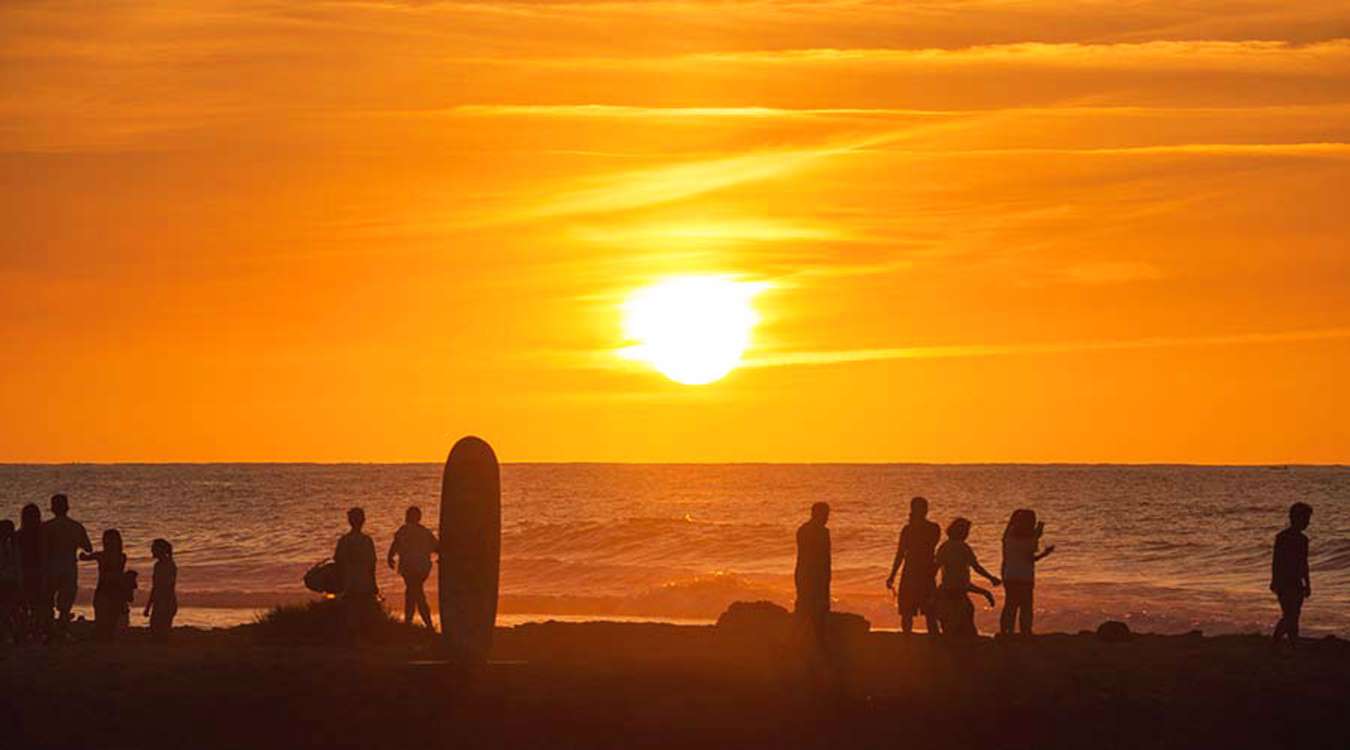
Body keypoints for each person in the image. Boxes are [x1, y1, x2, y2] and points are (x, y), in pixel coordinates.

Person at [934, 517, 1000, 637]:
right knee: (966, 619)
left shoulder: (944, 547)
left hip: (947, 589)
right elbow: (976, 568)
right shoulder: (963, 547)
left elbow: (935, 569)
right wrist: (991, 578)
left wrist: (932, 589)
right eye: (966, 531)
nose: (967, 534)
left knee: (953, 623)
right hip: (956, 592)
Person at [885, 496, 941, 635]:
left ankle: (907, 641)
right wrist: (892, 575)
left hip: (912, 572)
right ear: (926, 510)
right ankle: (933, 642)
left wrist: (892, 575)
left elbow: (900, 554)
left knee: (909, 613)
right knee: (929, 612)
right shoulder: (933, 528)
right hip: (926, 573)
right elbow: (931, 549)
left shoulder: (908, 529)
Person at [42, 493, 93, 637]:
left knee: (47, 600)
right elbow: (88, 547)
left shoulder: (46, 527)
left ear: (52, 509)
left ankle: (50, 629)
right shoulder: (76, 526)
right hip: (69, 567)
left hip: (51, 567)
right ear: (67, 508)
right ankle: (62, 628)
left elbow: (42, 550)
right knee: (66, 602)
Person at [999, 509, 1055, 636]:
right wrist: (1046, 553)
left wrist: (1014, 515)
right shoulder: (1029, 540)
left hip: (1009, 575)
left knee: (1009, 606)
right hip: (1025, 577)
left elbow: (1009, 527)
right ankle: (1025, 631)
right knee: (1026, 606)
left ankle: (1005, 631)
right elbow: (1031, 558)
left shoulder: (1008, 537)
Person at [1271, 502, 1313, 653]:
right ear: (1296, 518)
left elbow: (1303, 564)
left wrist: (1307, 584)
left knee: (1293, 614)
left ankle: (1290, 643)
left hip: (1295, 582)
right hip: (1286, 582)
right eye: (1306, 519)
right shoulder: (1284, 538)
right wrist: (1275, 581)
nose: (1308, 522)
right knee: (1291, 614)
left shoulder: (1302, 540)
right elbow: (1277, 561)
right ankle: (1280, 641)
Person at [387, 506, 438, 628]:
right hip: (422, 569)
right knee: (414, 592)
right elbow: (437, 547)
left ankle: (418, 623)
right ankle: (418, 623)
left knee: (414, 592)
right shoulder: (425, 532)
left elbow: (394, 547)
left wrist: (390, 558)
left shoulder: (403, 531)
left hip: (408, 568)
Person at [794, 502, 832, 654]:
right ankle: (813, 645)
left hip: (807, 574)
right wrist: (825, 578)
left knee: (808, 610)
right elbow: (821, 558)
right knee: (813, 611)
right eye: (825, 515)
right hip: (812, 576)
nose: (827, 518)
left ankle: (805, 643)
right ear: (816, 514)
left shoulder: (804, 530)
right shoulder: (818, 532)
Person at [81, 529, 127, 641]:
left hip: (104, 586)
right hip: (116, 587)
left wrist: (81, 553)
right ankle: (108, 635)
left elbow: (83, 557)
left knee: (102, 613)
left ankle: (102, 635)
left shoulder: (102, 555)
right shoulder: (121, 556)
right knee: (111, 614)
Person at [16, 503, 47, 641]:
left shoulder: (19, 535)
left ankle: (25, 630)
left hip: (24, 572)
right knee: (38, 604)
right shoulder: (43, 533)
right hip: (39, 571)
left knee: (23, 603)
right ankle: (36, 631)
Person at [335, 507, 378, 600]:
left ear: (349, 521)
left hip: (348, 584)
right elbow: (372, 564)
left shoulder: (344, 540)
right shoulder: (367, 540)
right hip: (365, 583)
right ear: (363, 521)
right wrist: (374, 584)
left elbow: (338, 561)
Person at [144, 538, 178, 642]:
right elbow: (156, 587)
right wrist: (149, 606)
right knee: (159, 633)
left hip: (165, 603)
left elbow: (161, 587)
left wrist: (149, 606)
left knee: (160, 633)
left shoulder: (166, 565)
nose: (151, 550)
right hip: (162, 602)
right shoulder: (160, 565)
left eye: (153, 548)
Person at [0, 520, 20, 643]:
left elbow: (17, 565)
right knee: (8, 608)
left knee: (9, 608)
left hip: (10, 580)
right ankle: (8, 632)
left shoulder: (13, 546)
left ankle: (9, 632)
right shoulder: (12, 546)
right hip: (7, 580)